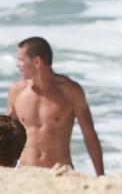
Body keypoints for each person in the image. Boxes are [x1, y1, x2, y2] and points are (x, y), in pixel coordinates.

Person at [7, 37, 105, 175]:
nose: (18, 64)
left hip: (61, 172)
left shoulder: (70, 91)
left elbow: (89, 135)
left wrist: (100, 175)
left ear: (37, 62)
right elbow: (7, 136)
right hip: (26, 172)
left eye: (21, 60)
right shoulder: (16, 91)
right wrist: (4, 171)